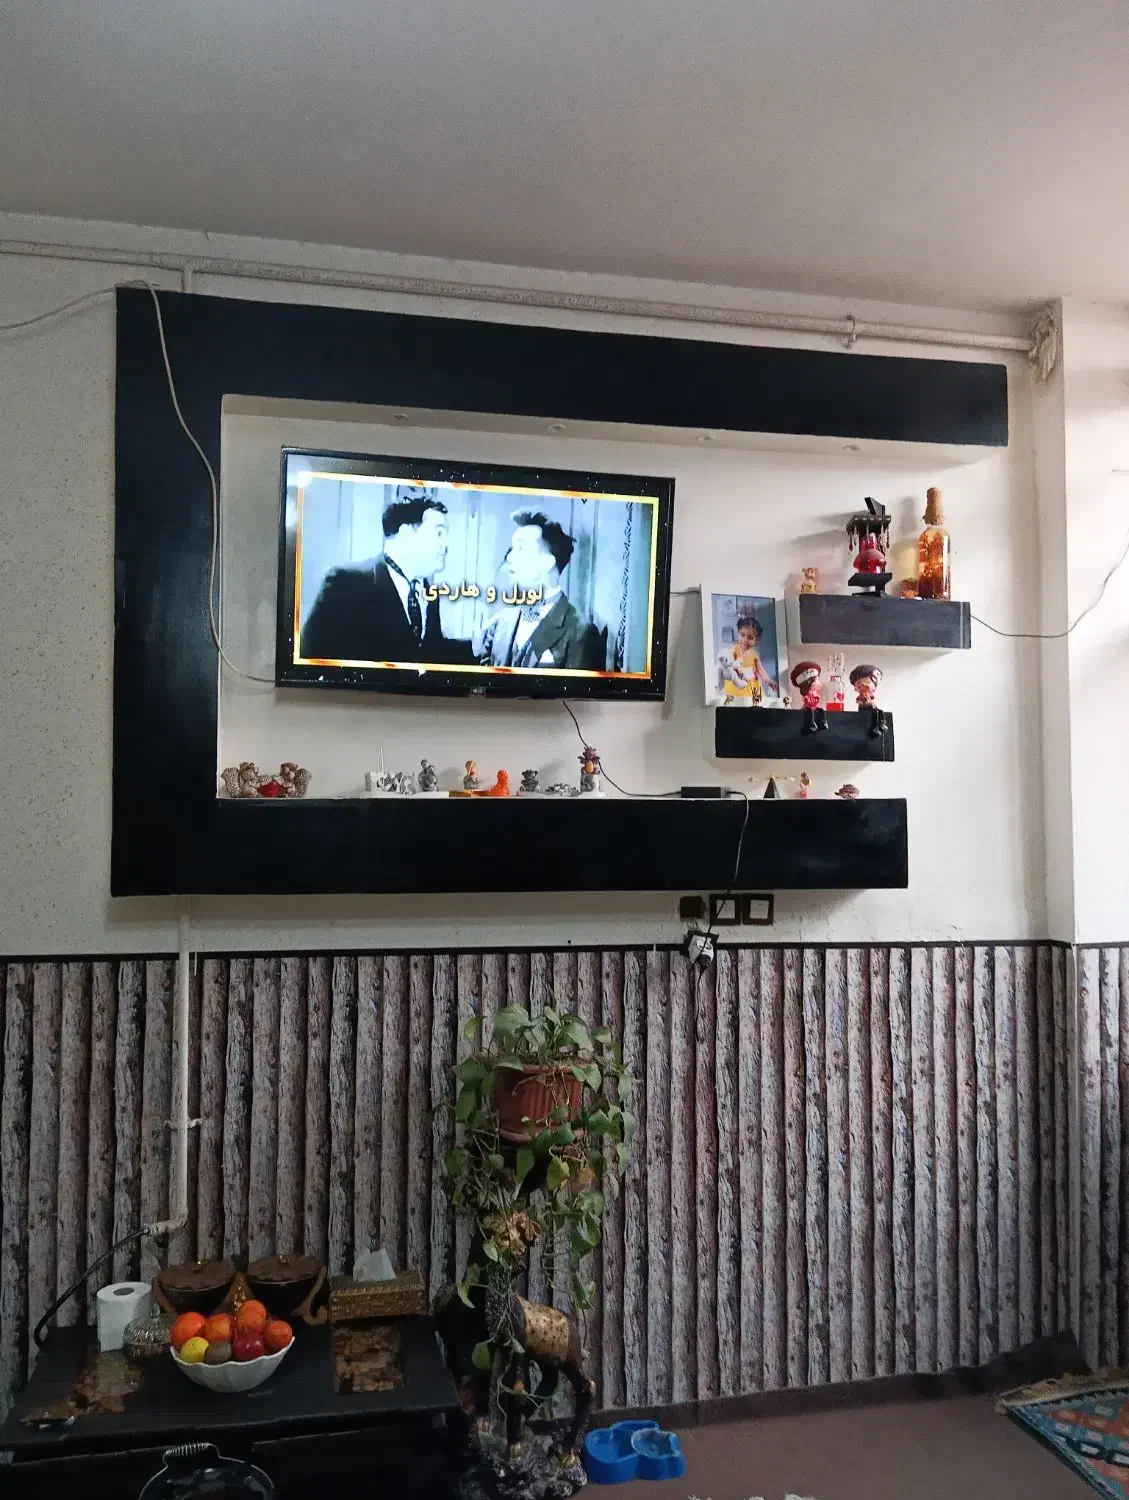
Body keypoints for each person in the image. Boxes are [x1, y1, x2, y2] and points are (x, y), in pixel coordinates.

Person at [300, 486, 450, 663]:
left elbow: (432, 654)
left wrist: (473, 646)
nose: (446, 544)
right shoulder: (346, 583)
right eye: (439, 533)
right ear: (406, 534)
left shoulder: (429, 594)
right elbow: (311, 658)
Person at [474, 510, 604, 670]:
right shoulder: (499, 624)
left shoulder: (580, 632)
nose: (509, 558)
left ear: (548, 562)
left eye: (520, 548)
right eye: (512, 548)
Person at [718, 615, 777, 704]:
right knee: (737, 703)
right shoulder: (734, 650)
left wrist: (768, 680)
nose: (745, 639)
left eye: (750, 638)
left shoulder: (754, 654)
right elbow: (731, 664)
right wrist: (740, 670)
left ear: (757, 640)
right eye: (742, 635)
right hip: (737, 683)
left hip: (751, 685)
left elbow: (760, 670)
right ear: (738, 633)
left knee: (753, 703)